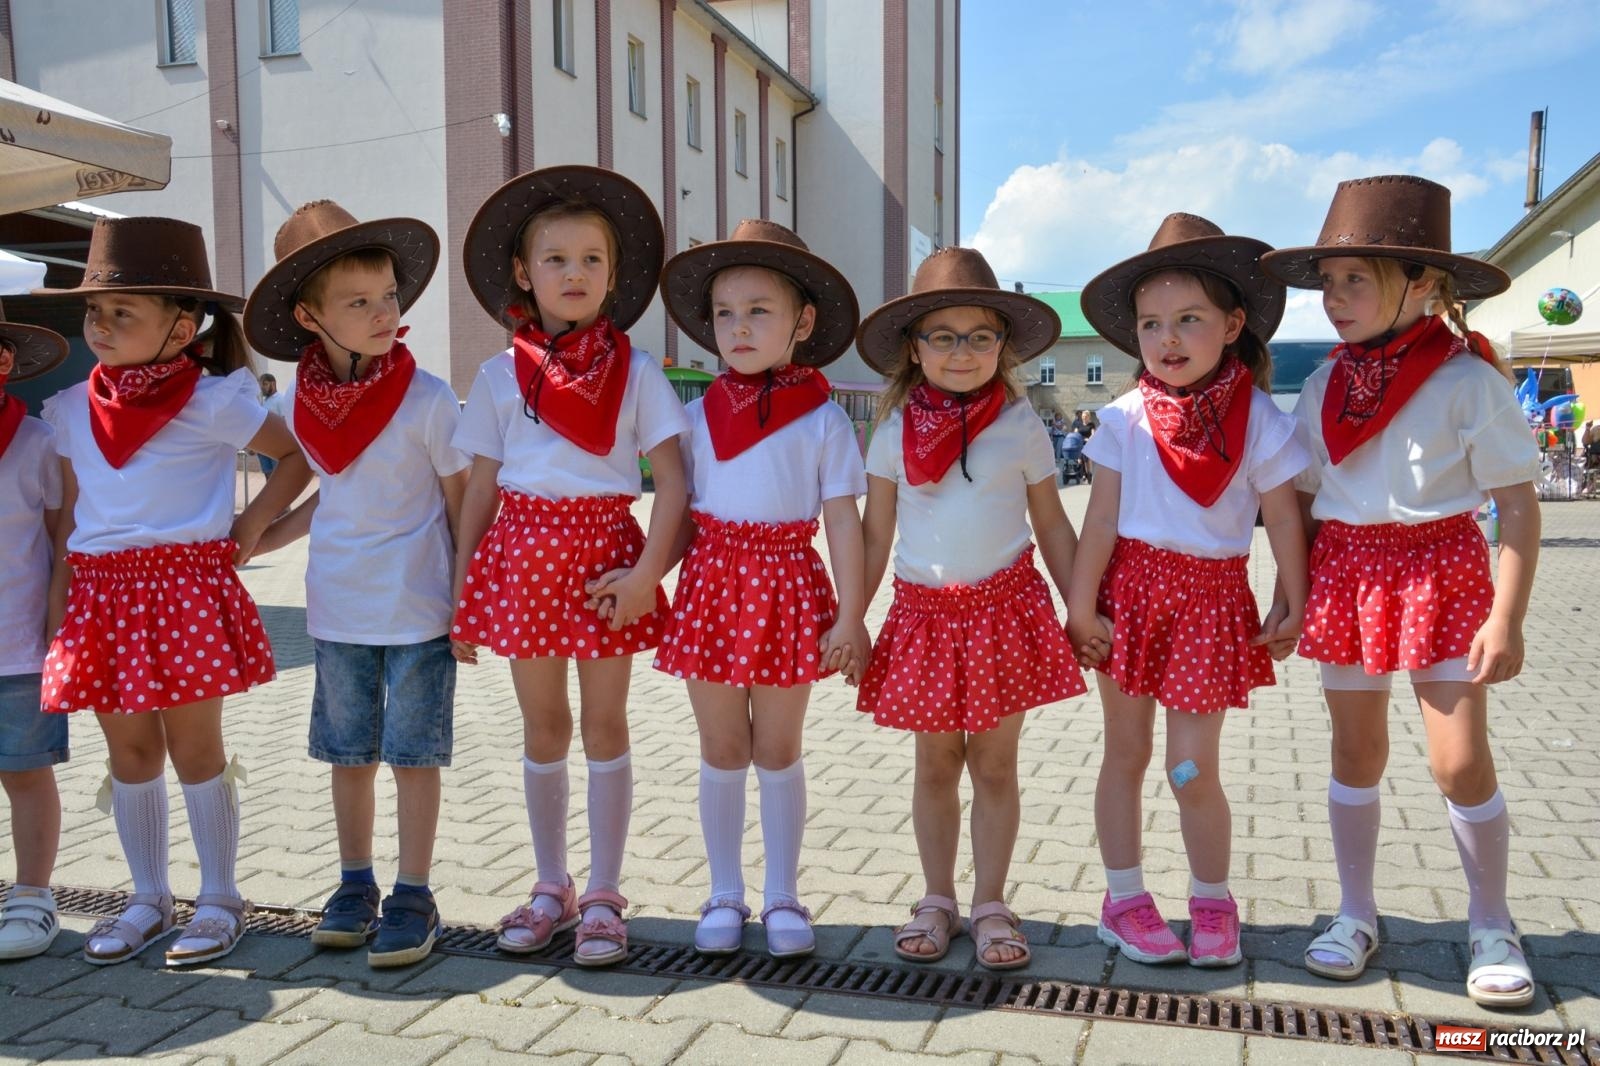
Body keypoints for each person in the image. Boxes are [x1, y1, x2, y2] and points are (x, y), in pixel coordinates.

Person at [1261, 175, 1542, 1009]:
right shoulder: (1323, 387)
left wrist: (1508, 615)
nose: (1335, 299)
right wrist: (1288, 594)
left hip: (1444, 574)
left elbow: (1519, 506)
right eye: (1330, 282)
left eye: (1357, 279)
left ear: (1422, 284)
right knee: (1355, 753)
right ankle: (1355, 913)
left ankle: (1491, 921)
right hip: (1348, 576)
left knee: (1458, 761)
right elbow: (1305, 503)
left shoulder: (1468, 383)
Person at [34, 217, 310, 967]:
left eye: (123, 312)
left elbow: (294, 459)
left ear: (183, 327)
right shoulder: (66, 411)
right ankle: (148, 896)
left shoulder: (213, 399)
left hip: (182, 591)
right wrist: (62, 610)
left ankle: (220, 896)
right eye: (95, 311)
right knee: (129, 752)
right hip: (101, 596)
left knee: (195, 747)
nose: (101, 325)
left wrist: (249, 529)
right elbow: (70, 521)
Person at [450, 166, 689, 967]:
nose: (574, 273)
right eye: (555, 259)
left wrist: (649, 575)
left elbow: (675, 483)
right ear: (524, 273)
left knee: (605, 724)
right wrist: (462, 592)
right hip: (520, 568)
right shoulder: (494, 376)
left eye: (592, 259)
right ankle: (551, 883)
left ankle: (604, 895)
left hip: (606, 571)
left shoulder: (641, 373)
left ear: (614, 276)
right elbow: (481, 488)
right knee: (543, 725)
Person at [1072, 213, 1309, 967]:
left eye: (1188, 320)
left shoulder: (1263, 421)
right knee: (1126, 752)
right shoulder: (1121, 420)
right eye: (1151, 324)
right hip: (1130, 598)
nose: (1166, 339)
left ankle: (1212, 898)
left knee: (1191, 768)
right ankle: (1124, 899)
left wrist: (1292, 599)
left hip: (1210, 607)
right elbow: (1101, 519)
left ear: (1233, 324)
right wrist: (1080, 604)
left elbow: (1282, 520)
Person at [244, 201, 469, 967]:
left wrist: (469, 601)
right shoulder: (300, 405)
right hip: (338, 607)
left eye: (389, 298)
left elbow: (460, 505)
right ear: (310, 317)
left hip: (417, 609)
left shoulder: (429, 399)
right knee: (349, 755)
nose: (382, 315)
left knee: (414, 754)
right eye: (357, 303)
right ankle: (353, 884)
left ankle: (413, 891)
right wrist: (260, 532)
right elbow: (324, 483)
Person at [856, 248, 1087, 971]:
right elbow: (875, 532)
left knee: (993, 764)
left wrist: (1081, 607)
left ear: (1003, 346)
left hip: (1004, 612)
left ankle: (990, 901)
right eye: (944, 336)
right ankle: (936, 897)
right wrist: (848, 619)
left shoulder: (1019, 424)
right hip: (924, 617)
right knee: (934, 764)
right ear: (913, 347)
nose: (963, 352)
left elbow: (1052, 522)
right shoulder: (892, 429)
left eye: (980, 336)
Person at [654, 220, 869, 958]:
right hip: (712, 587)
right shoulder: (692, 417)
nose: (738, 328)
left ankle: (783, 894)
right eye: (724, 314)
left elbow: (843, 520)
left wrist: (852, 613)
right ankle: (723, 891)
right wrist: (647, 577)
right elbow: (678, 516)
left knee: (777, 747)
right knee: (721, 746)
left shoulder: (824, 420)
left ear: (802, 322)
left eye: (759, 311)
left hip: (787, 586)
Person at [0, 305, 70, 959]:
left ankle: (32, 895)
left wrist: (59, 630)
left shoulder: (39, 443)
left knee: (24, 773)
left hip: (16, 647)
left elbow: (62, 542)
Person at [255, 373, 284, 478]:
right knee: (268, 475)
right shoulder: (263, 401)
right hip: (263, 446)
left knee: (277, 477)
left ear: (273, 383)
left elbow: (285, 423)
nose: (262, 387)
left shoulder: (280, 399)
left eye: (265, 384)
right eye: (260, 385)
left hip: (276, 446)